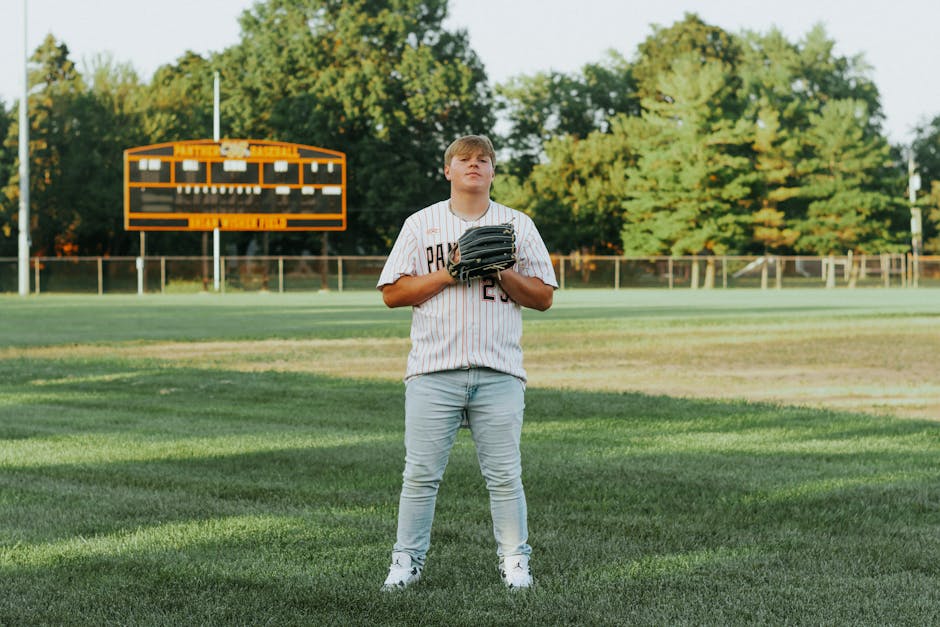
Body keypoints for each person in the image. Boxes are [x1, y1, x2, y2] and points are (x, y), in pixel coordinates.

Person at [376, 134, 557, 591]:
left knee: (504, 476)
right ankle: (405, 562)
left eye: (483, 160)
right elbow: (393, 293)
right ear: (448, 170)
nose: (474, 165)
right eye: (464, 159)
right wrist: (452, 271)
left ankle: (516, 562)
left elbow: (544, 298)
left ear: (493, 171)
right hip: (434, 370)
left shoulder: (517, 224)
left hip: (499, 372)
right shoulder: (421, 223)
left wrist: (499, 270)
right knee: (419, 475)